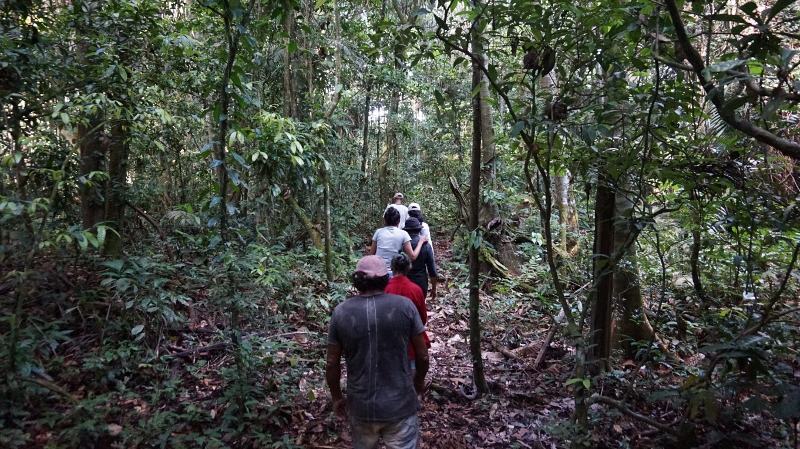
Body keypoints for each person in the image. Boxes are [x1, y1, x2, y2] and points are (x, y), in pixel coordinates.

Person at [326, 255, 429, 449]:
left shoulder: (340, 312)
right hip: (400, 404)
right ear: (385, 278)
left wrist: (337, 397)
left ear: (356, 280)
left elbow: (332, 362)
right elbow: (422, 355)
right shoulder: (404, 306)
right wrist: (418, 383)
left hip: (361, 406)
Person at [385, 253, 430, 373]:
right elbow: (422, 318)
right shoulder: (416, 289)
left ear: (392, 267)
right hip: (410, 340)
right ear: (409, 268)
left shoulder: (384, 289)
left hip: (387, 341)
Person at [368, 207, 428, 276]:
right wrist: (420, 241)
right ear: (399, 221)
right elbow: (412, 257)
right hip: (394, 273)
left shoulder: (378, 232)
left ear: (384, 221)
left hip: (378, 272)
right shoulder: (403, 234)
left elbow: (371, 254)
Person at [404, 217, 438, 301]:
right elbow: (432, 270)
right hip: (420, 282)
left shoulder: (402, 244)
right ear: (419, 230)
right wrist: (434, 288)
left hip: (404, 282)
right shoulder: (425, 245)